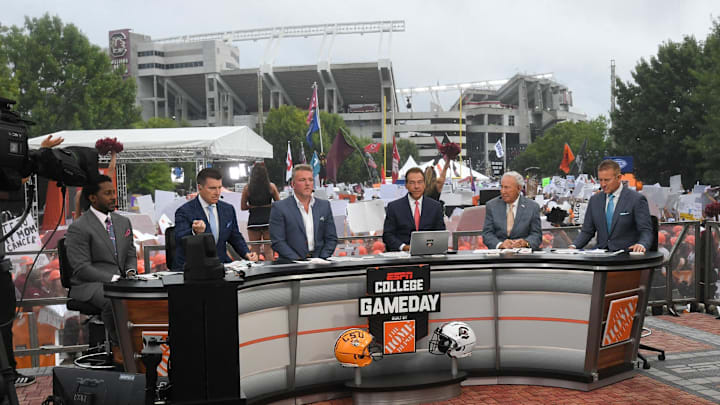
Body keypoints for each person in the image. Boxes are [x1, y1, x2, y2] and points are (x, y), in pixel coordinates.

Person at [65, 174, 136, 354]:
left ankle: (136, 345)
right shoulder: (79, 228)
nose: (114, 197)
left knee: (141, 296)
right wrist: (114, 279)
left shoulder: (123, 222)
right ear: (93, 198)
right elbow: (81, 268)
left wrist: (130, 272)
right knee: (113, 299)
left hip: (120, 281)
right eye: (107, 193)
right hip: (89, 284)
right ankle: (119, 346)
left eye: (114, 192)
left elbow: (130, 252)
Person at [174, 168, 257, 269]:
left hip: (221, 264)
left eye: (219, 187)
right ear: (200, 188)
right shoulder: (184, 211)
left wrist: (246, 253)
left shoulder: (228, 209)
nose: (217, 192)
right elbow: (179, 239)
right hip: (192, 268)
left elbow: (235, 236)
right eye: (212, 188)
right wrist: (195, 232)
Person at [571, 159, 653, 252]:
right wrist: (574, 246)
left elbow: (646, 230)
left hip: (626, 257)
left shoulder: (636, 199)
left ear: (619, 178)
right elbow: (587, 231)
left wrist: (642, 244)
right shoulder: (595, 200)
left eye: (607, 180)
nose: (603, 184)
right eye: (600, 180)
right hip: (601, 257)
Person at [269, 164, 338, 263]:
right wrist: (299, 261)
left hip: (320, 264)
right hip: (291, 265)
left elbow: (331, 238)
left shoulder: (324, 206)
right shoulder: (279, 208)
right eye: (302, 180)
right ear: (293, 184)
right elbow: (278, 241)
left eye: (310, 180)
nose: (307, 183)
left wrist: (321, 258)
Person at [383, 167, 446, 252]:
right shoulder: (394, 207)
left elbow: (441, 233)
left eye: (419, 182)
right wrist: (403, 247)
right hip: (402, 257)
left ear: (424, 184)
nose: (416, 186)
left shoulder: (435, 207)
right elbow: (388, 235)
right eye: (412, 183)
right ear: (406, 185)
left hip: (429, 254)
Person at [482, 171, 542, 249]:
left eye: (507, 187)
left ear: (519, 188)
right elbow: (487, 234)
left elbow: (536, 235)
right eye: (502, 187)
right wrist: (500, 244)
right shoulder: (492, 206)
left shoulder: (532, 207)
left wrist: (525, 243)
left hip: (523, 256)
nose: (502, 191)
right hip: (499, 256)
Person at [241, 163, 280, 260]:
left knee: (254, 251)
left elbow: (243, 207)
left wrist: (253, 207)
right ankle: (271, 271)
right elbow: (279, 204)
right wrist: (267, 206)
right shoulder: (271, 187)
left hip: (253, 222)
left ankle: (255, 272)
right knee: (269, 250)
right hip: (269, 221)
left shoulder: (247, 188)